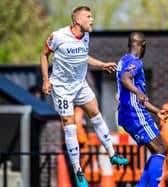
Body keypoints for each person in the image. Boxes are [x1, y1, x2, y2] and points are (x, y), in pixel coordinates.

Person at [40, 6, 128, 187]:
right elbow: (44, 55)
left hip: (80, 85)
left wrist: (102, 64)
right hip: (62, 88)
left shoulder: (86, 36)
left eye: (92, 16)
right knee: (70, 126)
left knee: (96, 115)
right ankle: (78, 171)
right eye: (89, 16)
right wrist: (45, 80)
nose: (92, 20)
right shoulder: (58, 36)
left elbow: (83, 57)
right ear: (77, 20)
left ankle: (112, 154)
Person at [116, 31, 168, 187]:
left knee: (159, 150)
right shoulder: (135, 62)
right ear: (143, 44)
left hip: (129, 113)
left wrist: (157, 111)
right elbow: (125, 78)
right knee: (161, 149)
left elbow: (139, 97)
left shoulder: (123, 60)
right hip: (134, 114)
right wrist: (138, 92)